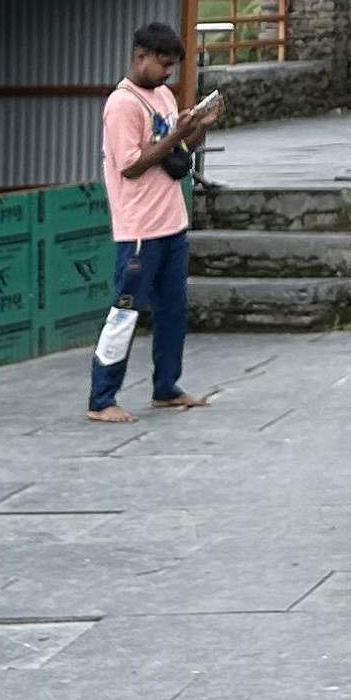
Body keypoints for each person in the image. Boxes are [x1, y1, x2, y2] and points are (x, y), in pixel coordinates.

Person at [87, 23, 223, 423]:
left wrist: (197, 128)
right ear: (140, 55)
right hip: (140, 230)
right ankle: (102, 398)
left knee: (173, 310)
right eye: (163, 64)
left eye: (173, 67)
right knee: (125, 310)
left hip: (171, 222)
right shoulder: (122, 104)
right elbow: (130, 165)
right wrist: (175, 135)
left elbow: (177, 152)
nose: (168, 73)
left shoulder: (162, 95)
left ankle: (167, 387)